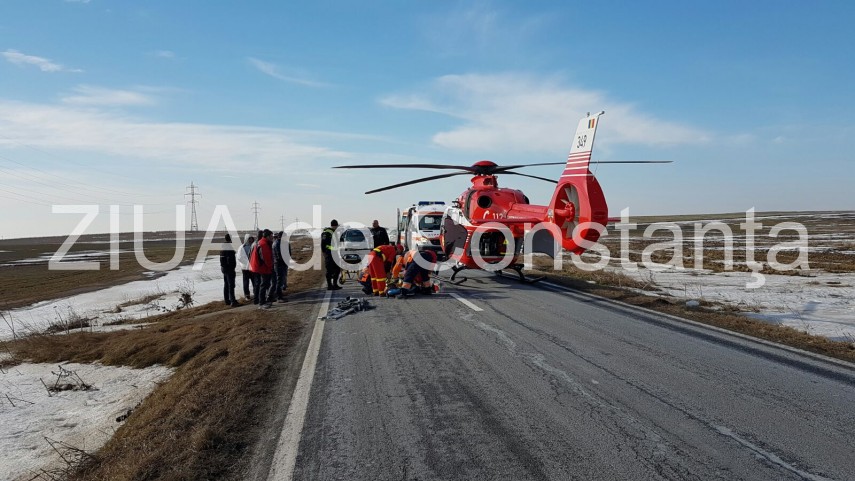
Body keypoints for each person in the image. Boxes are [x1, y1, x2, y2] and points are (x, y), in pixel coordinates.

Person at [250, 229, 275, 308]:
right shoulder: (263, 244)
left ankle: (263, 301)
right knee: (263, 285)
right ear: (267, 236)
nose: (272, 237)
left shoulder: (262, 242)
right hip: (262, 267)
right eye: (271, 236)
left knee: (264, 284)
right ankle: (262, 303)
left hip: (261, 266)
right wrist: (271, 266)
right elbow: (266, 258)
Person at [321, 220, 342, 290]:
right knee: (329, 270)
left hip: (334, 253)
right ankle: (330, 285)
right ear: (335, 225)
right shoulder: (327, 232)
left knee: (337, 269)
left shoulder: (333, 232)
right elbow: (323, 244)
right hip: (329, 253)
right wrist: (324, 253)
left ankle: (334, 284)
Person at [219, 234, 239, 307]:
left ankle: (227, 300)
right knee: (231, 285)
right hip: (229, 269)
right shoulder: (229, 247)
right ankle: (233, 301)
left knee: (226, 285)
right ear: (230, 239)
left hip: (224, 268)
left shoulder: (223, 247)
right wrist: (232, 268)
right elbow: (230, 260)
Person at [236, 234, 256, 301]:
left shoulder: (253, 246)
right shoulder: (242, 247)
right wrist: (247, 263)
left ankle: (256, 293)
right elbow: (239, 257)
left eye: (251, 238)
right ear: (246, 239)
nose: (250, 240)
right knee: (246, 282)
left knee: (254, 281)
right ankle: (247, 295)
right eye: (249, 238)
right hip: (245, 268)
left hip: (252, 267)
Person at [272, 231, 289, 302]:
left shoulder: (283, 243)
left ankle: (280, 295)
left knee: (281, 280)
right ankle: (279, 297)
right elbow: (279, 255)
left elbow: (288, 252)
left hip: (282, 264)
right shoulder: (277, 244)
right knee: (279, 281)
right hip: (279, 264)